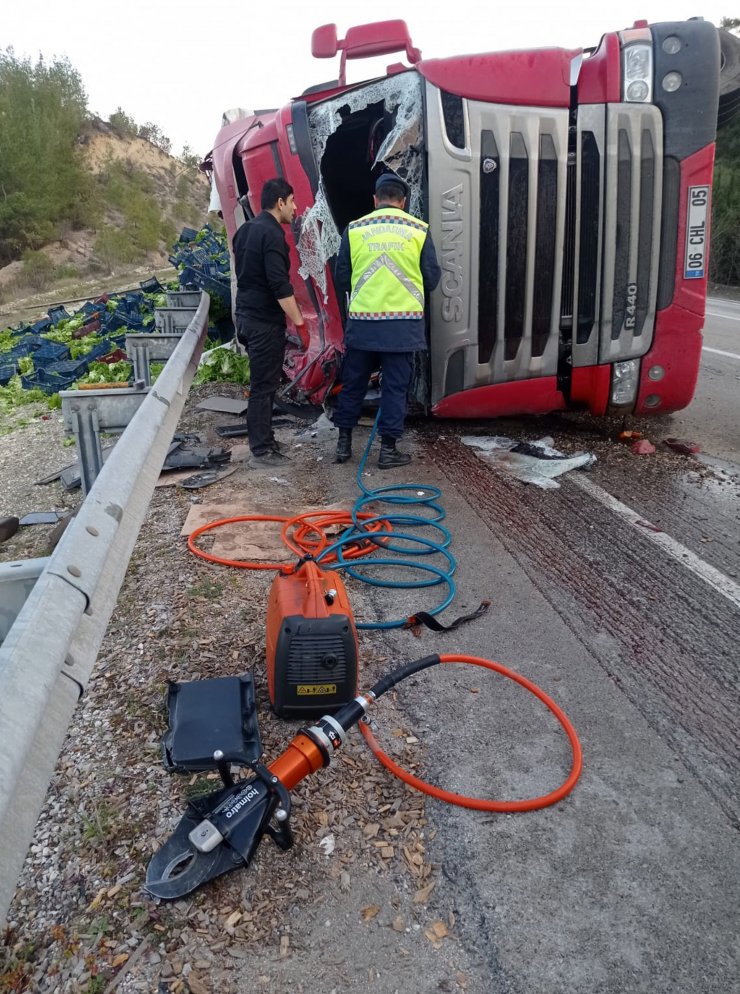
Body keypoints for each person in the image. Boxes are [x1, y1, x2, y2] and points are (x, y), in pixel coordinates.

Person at [332, 172, 441, 469]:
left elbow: (341, 277)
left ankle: (343, 445)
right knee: (394, 387)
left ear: (375, 200)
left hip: (363, 325)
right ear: (403, 202)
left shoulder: (354, 230)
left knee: (353, 384)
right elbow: (432, 279)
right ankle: (388, 450)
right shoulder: (418, 230)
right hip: (401, 328)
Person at [232, 177, 305, 468]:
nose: (295, 208)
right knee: (263, 386)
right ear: (280, 202)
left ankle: (266, 438)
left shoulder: (245, 230)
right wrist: (300, 323)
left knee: (265, 383)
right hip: (263, 322)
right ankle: (261, 450)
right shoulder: (272, 235)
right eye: (292, 201)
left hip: (246, 318)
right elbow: (279, 285)